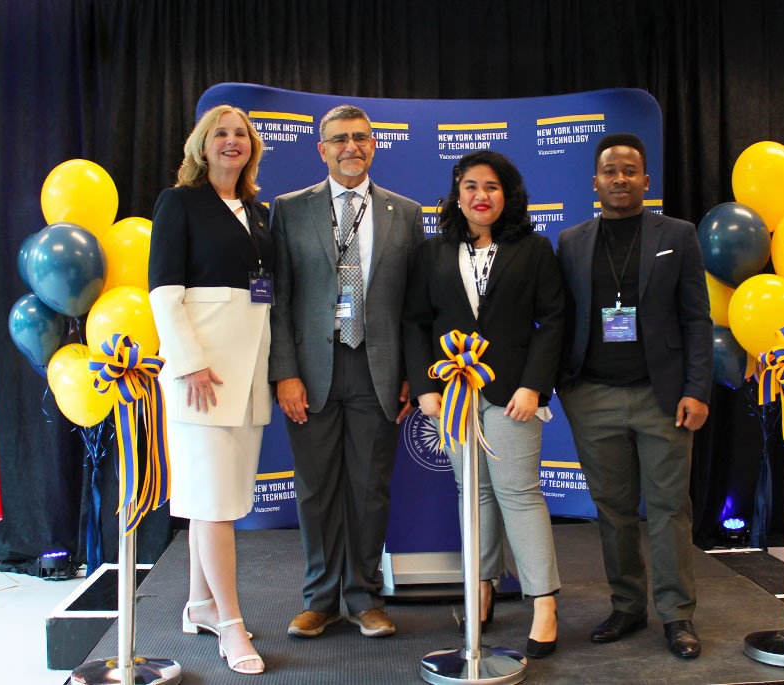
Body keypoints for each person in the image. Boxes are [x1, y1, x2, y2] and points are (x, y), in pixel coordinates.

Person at [269, 104, 424, 639]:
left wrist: (414, 374)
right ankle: (320, 600)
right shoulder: (288, 210)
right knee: (314, 490)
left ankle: (364, 598)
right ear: (322, 149)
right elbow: (279, 298)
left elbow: (413, 306)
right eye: (339, 140)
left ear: (374, 144)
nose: (350, 147)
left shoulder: (406, 212)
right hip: (310, 372)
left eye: (360, 138)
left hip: (378, 371)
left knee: (369, 488)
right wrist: (284, 373)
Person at [555, 133, 712, 659]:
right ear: (594, 181)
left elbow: (696, 319)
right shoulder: (572, 241)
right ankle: (627, 606)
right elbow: (559, 320)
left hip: (662, 397)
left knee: (669, 508)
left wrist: (697, 389)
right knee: (613, 511)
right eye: (609, 171)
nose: (619, 179)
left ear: (646, 180)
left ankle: (677, 615)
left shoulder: (679, 235)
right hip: (592, 396)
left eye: (629, 171)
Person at [403, 151, 564, 658]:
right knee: (473, 493)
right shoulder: (432, 252)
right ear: (457, 195)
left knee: (519, 493)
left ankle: (543, 602)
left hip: (513, 394)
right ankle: (482, 586)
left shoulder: (534, 249)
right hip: (452, 395)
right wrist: (424, 385)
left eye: (491, 187)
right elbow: (415, 322)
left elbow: (555, 319)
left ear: (507, 194)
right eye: (470, 186)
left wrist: (534, 385)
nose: (480, 195)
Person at [149, 104, 274, 674]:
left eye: (241, 134)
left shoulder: (258, 210)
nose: (232, 141)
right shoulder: (179, 203)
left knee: (211, 500)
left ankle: (199, 603)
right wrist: (189, 363)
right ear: (202, 145)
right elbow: (163, 293)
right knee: (215, 504)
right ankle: (230, 624)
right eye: (221, 133)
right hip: (203, 376)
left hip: (249, 372)